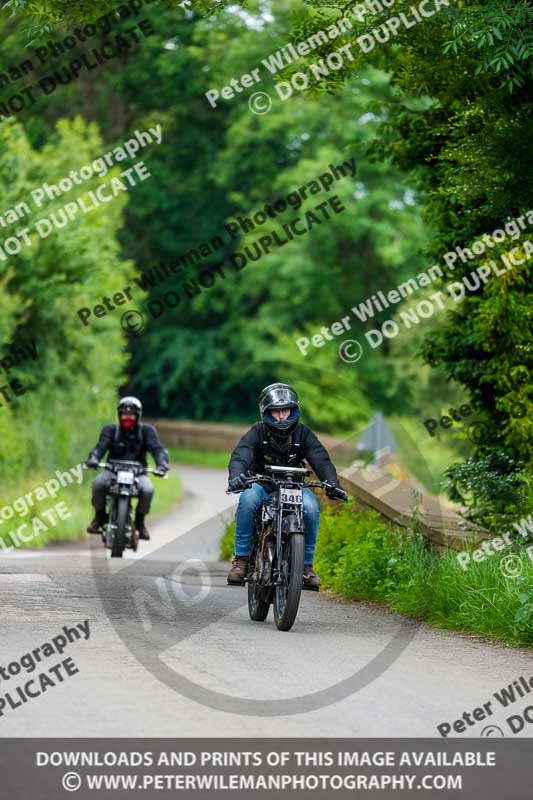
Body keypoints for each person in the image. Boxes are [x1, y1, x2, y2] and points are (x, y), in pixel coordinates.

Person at [227, 383, 347, 589]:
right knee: (247, 500)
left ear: (294, 410)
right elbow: (241, 455)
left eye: (286, 411)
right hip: (263, 483)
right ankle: (242, 560)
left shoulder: (304, 434)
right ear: (266, 412)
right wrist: (237, 477)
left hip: (295, 486)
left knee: (311, 508)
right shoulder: (257, 432)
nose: (281, 417)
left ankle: (306, 567)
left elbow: (320, 459)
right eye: (276, 412)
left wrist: (332, 484)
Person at [85, 396, 168, 540]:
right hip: (112, 470)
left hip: (139, 473)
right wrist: (94, 459)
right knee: (98, 484)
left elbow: (157, 450)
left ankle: (140, 522)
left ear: (138, 416)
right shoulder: (110, 430)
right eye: (124, 414)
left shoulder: (147, 431)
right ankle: (99, 517)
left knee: (148, 490)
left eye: (131, 415)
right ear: (119, 415)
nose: (127, 418)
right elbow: (100, 448)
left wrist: (162, 465)